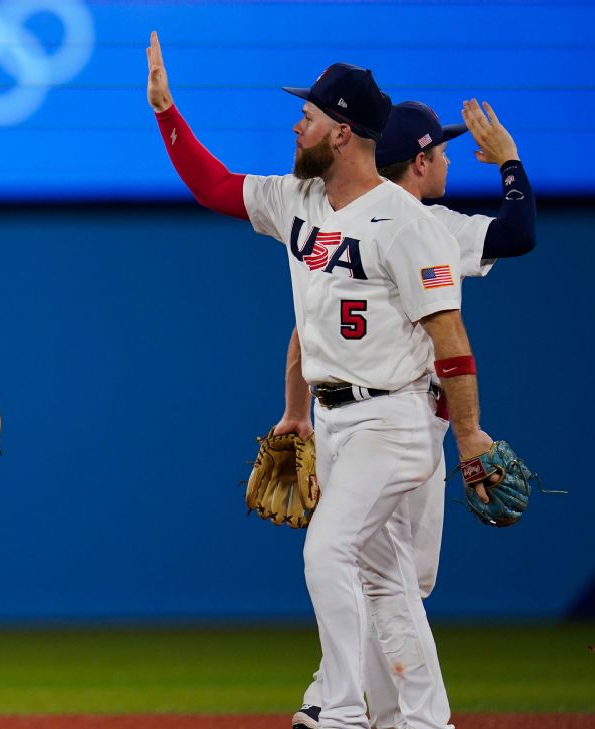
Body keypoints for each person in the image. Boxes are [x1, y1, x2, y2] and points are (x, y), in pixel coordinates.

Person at [146, 32, 499, 729]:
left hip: (394, 420)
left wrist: (469, 435)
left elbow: (451, 341)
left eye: (306, 115)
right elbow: (214, 186)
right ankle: (421, 718)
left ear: (342, 132)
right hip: (337, 422)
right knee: (384, 578)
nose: (295, 123)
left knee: (327, 549)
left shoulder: (406, 224)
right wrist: (166, 112)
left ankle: (337, 709)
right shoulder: (298, 200)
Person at [286, 99, 537, 729]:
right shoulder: (427, 226)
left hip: (379, 418)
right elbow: (518, 231)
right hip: (398, 421)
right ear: (420, 161)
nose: (448, 159)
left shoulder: (378, 221)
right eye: (442, 151)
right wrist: (508, 160)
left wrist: (295, 408)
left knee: (391, 574)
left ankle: (357, 703)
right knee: (385, 574)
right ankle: (366, 706)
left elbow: (301, 333)